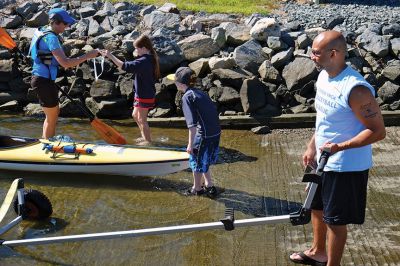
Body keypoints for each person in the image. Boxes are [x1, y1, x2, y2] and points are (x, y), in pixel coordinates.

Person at [289, 31, 386, 266]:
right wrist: (311, 146)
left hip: (346, 166)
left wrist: (340, 147)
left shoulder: (356, 89)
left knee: (335, 220)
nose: (311, 56)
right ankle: (317, 252)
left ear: (334, 54)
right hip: (323, 159)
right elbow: (325, 120)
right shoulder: (324, 76)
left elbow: (377, 131)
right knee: (316, 206)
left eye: (315, 52)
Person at [30, 8, 99, 139]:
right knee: (52, 117)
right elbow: (65, 63)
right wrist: (88, 55)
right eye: (65, 24)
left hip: (41, 78)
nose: (67, 26)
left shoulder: (42, 30)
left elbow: (49, 57)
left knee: (51, 115)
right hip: (43, 80)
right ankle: (48, 146)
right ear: (56, 22)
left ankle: (46, 141)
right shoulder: (51, 38)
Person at [167, 67, 221, 197]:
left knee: (196, 162)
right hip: (215, 133)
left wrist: (190, 144)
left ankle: (197, 188)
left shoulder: (187, 97)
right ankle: (209, 185)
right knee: (204, 160)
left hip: (202, 135)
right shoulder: (200, 93)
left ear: (180, 83)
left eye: (174, 81)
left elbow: (192, 125)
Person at [99, 35, 160, 145]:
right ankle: (144, 136)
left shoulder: (144, 61)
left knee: (142, 119)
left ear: (144, 48)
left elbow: (124, 66)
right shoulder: (147, 58)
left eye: (137, 48)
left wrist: (110, 55)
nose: (135, 51)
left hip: (145, 94)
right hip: (141, 93)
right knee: (134, 115)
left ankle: (148, 141)